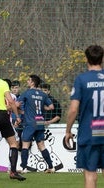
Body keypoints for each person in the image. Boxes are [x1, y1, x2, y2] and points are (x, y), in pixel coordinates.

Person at [65, 45, 104, 188]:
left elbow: (74, 109)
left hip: (89, 132)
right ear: (102, 59)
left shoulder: (82, 79)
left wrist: (68, 131)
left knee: (90, 173)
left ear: (86, 59)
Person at [17, 75, 55, 173]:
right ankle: (51, 167)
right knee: (41, 145)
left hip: (30, 122)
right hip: (40, 121)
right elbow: (51, 107)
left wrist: (19, 111)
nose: (27, 81)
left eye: (29, 80)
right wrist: (43, 108)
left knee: (25, 145)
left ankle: (24, 168)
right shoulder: (43, 94)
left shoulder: (27, 93)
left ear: (33, 82)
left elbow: (17, 105)